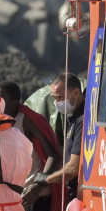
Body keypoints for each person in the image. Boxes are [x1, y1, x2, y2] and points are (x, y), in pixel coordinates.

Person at [0, 80, 62, 211]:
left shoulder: (27, 120)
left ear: (15, 102)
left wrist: (38, 185)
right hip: (8, 197)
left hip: (32, 197)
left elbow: (53, 156)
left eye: (1, 98)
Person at [37, 73, 84, 204]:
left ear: (75, 92)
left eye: (60, 97)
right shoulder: (73, 117)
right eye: (54, 98)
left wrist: (46, 179)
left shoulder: (82, 119)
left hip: (79, 193)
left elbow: (73, 168)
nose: (56, 103)